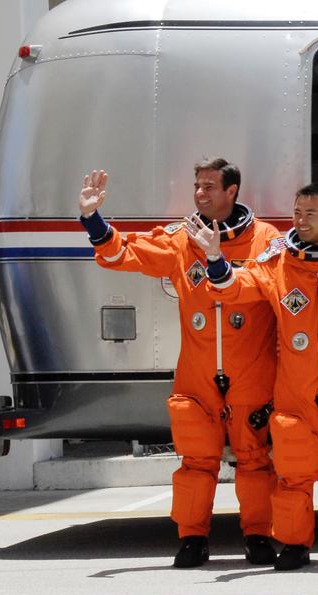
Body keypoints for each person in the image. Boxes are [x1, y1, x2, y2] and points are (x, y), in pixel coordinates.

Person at [77, 161, 278, 568]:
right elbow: (123, 253)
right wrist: (91, 218)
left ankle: (258, 536)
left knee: (255, 460)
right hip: (198, 374)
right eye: (197, 186)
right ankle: (192, 540)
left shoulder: (266, 240)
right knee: (195, 463)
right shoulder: (181, 238)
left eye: (208, 186)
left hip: (252, 370)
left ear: (232, 191)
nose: (199, 193)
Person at [192, 182, 318, 570]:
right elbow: (238, 287)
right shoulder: (278, 262)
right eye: (297, 212)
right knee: (293, 470)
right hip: (295, 387)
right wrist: (216, 260)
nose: (300, 220)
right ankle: (296, 545)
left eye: (310, 213)